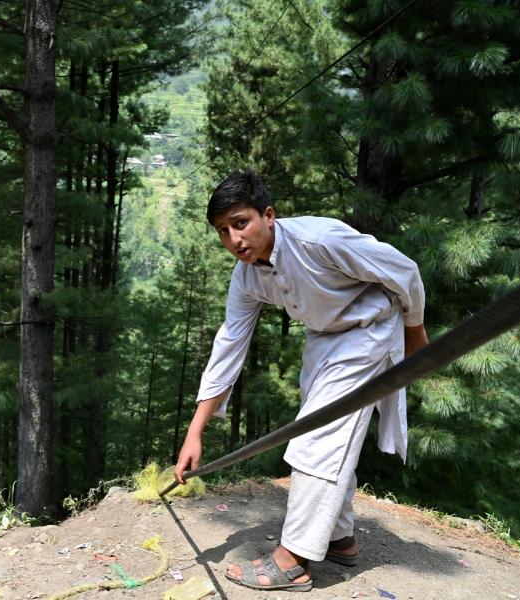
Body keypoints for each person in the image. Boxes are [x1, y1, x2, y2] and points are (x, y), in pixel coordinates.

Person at [173, 170, 428, 592]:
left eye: (240, 223)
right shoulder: (246, 277)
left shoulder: (319, 240)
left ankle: (293, 562)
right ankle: (339, 539)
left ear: (268, 215)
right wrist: (194, 432)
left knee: (316, 439)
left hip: (370, 331)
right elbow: (229, 346)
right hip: (323, 340)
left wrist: (415, 333)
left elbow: (404, 270)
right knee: (331, 440)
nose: (234, 239)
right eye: (223, 231)